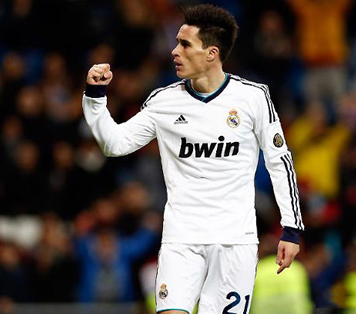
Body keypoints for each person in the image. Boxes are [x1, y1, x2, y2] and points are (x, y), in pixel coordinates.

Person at [82, 4, 304, 314]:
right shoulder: (164, 101)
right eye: (176, 42)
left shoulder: (253, 98)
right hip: (181, 240)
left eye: (185, 44)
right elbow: (114, 144)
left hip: (235, 242)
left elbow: (280, 161)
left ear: (212, 53)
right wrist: (95, 98)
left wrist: (291, 228)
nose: (174, 51)